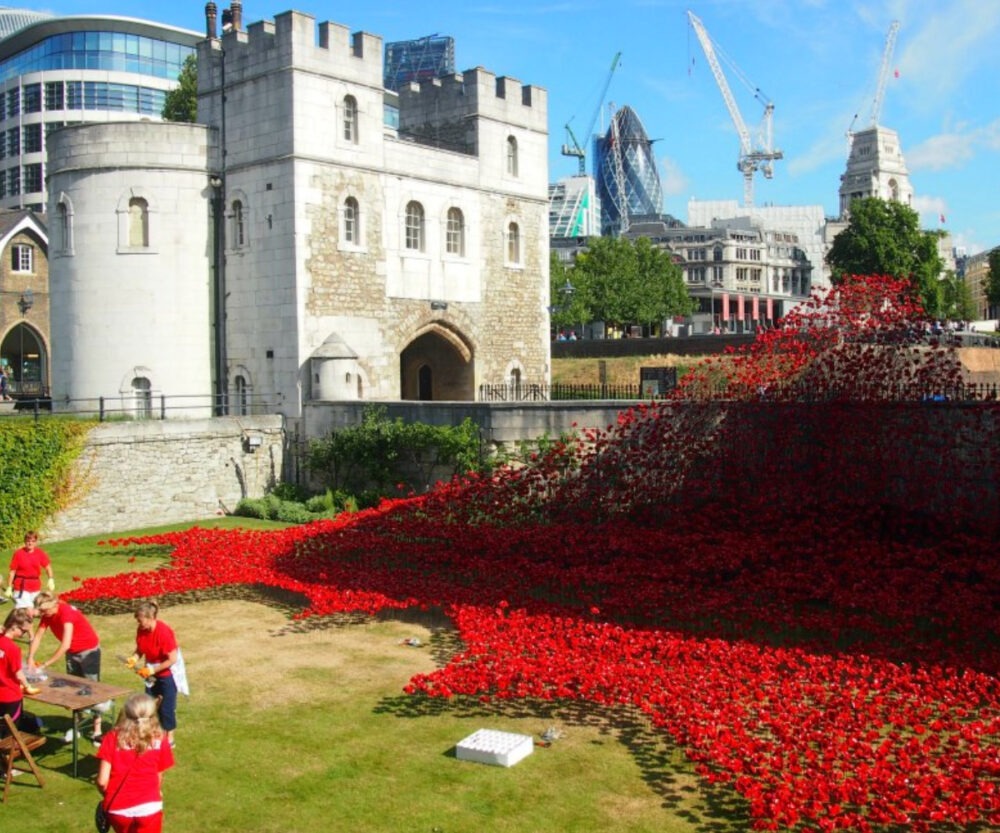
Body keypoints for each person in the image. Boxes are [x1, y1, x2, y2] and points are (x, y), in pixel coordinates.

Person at [28, 592, 107, 740]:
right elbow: (38, 636)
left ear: (54, 605)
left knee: (93, 689)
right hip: (72, 652)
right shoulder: (48, 615)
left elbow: (65, 644)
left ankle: (97, 730)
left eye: (44, 610)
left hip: (88, 651)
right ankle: (77, 726)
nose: (43, 614)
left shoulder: (66, 614)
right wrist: (30, 657)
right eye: (41, 611)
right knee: (74, 689)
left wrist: (45, 664)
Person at [96, 692, 175, 833]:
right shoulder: (160, 739)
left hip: (118, 808)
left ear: (126, 713)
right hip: (150, 806)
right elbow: (159, 775)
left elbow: (102, 781)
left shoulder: (112, 738)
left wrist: (107, 795)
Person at [129, 601, 178, 747]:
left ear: (151, 618)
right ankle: (151, 733)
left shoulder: (163, 633)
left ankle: (170, 738)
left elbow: (172, 659)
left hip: (167, 675)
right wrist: (134, 658)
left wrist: (152, 670)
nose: (139, 623)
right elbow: (140, 649)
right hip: (151, 674)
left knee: (166, 707)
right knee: (149, 704)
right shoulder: (141, 629)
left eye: (140, 620)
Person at [0, 608, 39, 736]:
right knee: (11, 731)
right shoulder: (13, 649)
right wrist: (28, 686)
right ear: (14, 626)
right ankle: (6, 755)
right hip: (10, 695)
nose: (24, 634)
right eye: (23, 631)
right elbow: (18, 674)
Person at [5, 531, 54, 610]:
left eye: (33, 541)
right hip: (21, 586)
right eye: (28, 541)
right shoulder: (18, 554)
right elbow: (12, 572)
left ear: (35, 542)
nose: (30, 543)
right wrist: (9, 587)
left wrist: (51, 579)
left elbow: (48, 567)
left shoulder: (39, 553)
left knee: (35, 610)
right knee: (27, 610)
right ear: (25, 541)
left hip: (35, 586)